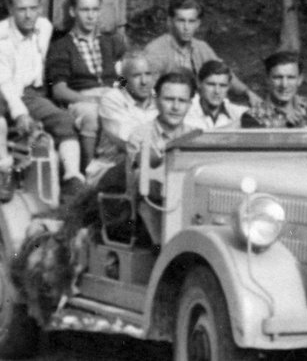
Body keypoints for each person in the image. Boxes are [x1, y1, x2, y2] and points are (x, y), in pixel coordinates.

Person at [0, 0, 84, 197]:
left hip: (29, 94)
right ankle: (3, 169)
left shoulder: (44, 27)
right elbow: (2, 81)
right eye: (22, 9)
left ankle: (72, 177)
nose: (28, 15)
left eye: (33, 8)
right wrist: (21, 114)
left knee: (64, 121)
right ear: (10, 9)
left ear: (40, 8)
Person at [46, 0, 128, 167]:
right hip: (80, 98)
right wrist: (90, 100)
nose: (91, 16)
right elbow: (59, 90)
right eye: (85, 10)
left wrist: (122, 90)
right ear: (73, 12)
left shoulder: (111, 43)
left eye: (95, 9)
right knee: (91, 114)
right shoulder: (61, 47)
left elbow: (123, 76)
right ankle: (89, 169)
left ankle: (120, 167)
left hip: (111, 94)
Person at [145, 0, 262, 105]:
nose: (186, 27)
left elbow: (224, 73)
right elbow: (132, 82)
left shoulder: (201, 47)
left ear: (198, 24)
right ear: (170, 22)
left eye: (191, 21)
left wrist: (247, 92)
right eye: (181, 21)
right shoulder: (156, 50)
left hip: (199, 107)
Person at [125, 71, 199, 244]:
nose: (175, 107)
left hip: (188, 206)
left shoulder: (195, 136)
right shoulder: (140, 134)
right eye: (169, 99)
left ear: (189, 104)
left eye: (182, 101)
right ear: (156, 100)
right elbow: (141, 176)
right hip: (146, 209)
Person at [89, 50, 159, 185]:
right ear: (124, 79)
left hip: (151, 166)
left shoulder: (161, 101)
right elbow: (131, 143)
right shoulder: (113, 99)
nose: (144, 81)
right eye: (136, 76)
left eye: (148, 74)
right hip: (111, 169)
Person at [242, 51, 307, 128]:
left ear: (300, 79)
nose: (284, 85)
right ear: (267, 79)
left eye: (291, 77)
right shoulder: (253, 117)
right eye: (278, 77)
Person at [184, 60, 248, 130]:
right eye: (211, 84)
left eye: (223, 85)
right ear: (199, 83)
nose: (217, 91)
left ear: (228, 87)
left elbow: (260, 112)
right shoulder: (184, 110)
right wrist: (236, 125)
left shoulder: (236, 111)